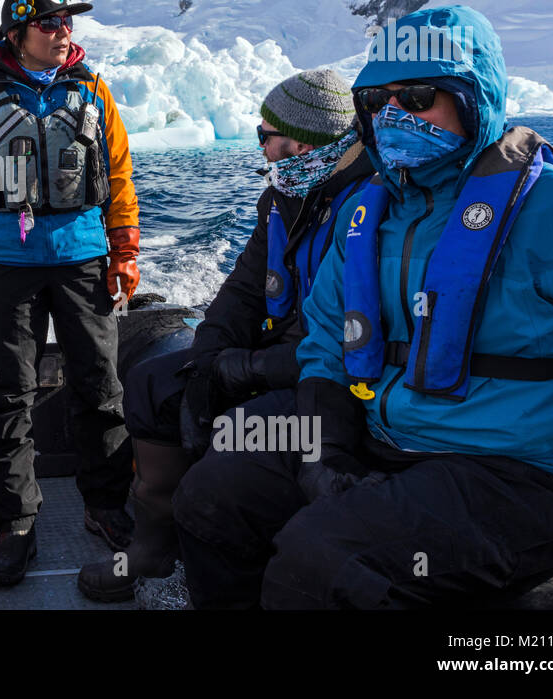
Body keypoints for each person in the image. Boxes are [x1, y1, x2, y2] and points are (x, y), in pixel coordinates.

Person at [172, 5, 553, 608]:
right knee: (216, 492)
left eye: (417, 97)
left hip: (526, 469)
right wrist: (324, 451)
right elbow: (327, 343)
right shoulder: (368, 214)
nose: (393, 114)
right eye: (379, 99)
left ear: (474, 99)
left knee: (323, 561)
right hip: (388, 433)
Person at [77, 69, 372, 602]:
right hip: (279, 353)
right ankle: (151, 548)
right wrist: (206, 363)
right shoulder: (285, 195)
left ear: (302, 140)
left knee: (236, 439)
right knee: (152, 384)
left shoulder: (372, 207)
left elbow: (352, 345)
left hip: (332, 378)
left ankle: (222, 557)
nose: (261, 148)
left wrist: (245, 371)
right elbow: (241, 293)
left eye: (265, 136)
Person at [0, 0, 140, 586]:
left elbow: (119, 170)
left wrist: (125, 248)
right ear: (17, 33)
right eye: (51, 23)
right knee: (6, 392)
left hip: (83, 257)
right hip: (6, 264)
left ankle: (105, 505)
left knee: (100, 385)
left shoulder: (95, 92)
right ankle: (15, 522)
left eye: (67, 23)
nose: (63, 32)